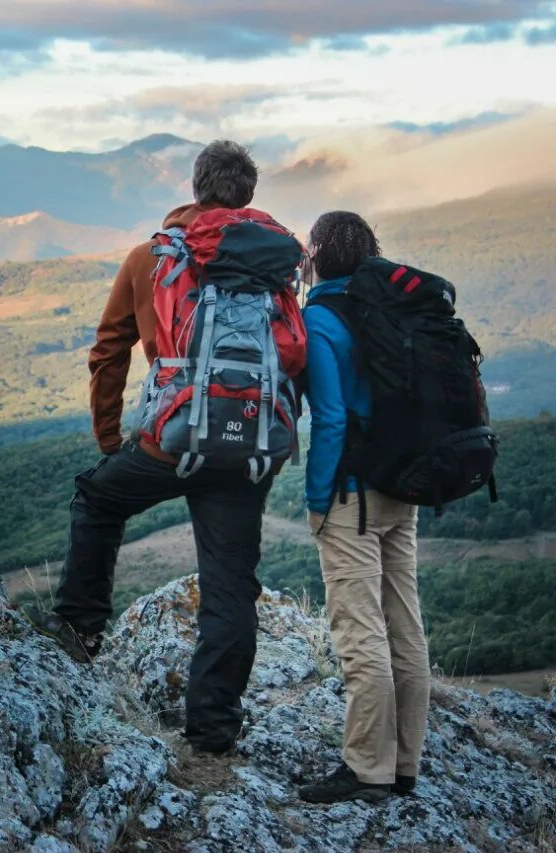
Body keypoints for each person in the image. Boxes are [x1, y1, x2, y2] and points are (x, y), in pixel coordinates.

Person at [27, 140, 287, 755]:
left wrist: (112, 438)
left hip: (169, 442)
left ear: (196, 188)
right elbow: (291, 352)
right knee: (229, 585)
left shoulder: (151, 256)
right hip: (248, 442)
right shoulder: (274, 260)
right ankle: (213, 731)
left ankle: (80, 629)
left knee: (97, 497)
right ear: (247, 195)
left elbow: (107, 352)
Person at [296, 211, 430, 803]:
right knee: (405, 623)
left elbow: (326, 417)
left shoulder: (321, 318)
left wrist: (317, 499)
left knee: (360, 632)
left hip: (351, 494)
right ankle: (405, 765)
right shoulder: (397, 305)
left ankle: (367, 770)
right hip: (406, 487)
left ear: (317, 256)